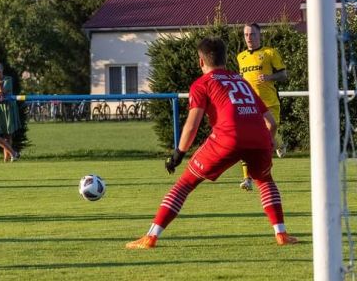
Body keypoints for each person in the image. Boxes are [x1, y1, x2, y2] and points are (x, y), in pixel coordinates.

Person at [126, 37, 298, 249]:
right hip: (260, 137)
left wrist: (178, 154)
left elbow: (191, 125)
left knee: (185, 183)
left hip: (228, 137)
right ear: (226, 60)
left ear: (201, 62)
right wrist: (268, 144)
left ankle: (150, 237)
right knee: (265, 181)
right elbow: (270, 122)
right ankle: (281, 234)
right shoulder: (241, 81)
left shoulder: (202, 83)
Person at [237, 23, 288, 191]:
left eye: (252, 34)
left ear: (260, 35)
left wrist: (269, 77)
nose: (249, 38)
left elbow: (283, 74)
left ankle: (278, 142)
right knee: (250, 141)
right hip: (250, 105)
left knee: (265, 138)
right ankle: (247, 178)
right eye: (246, 34)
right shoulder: (241, 57)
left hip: (270, 104)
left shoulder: (269, 53)